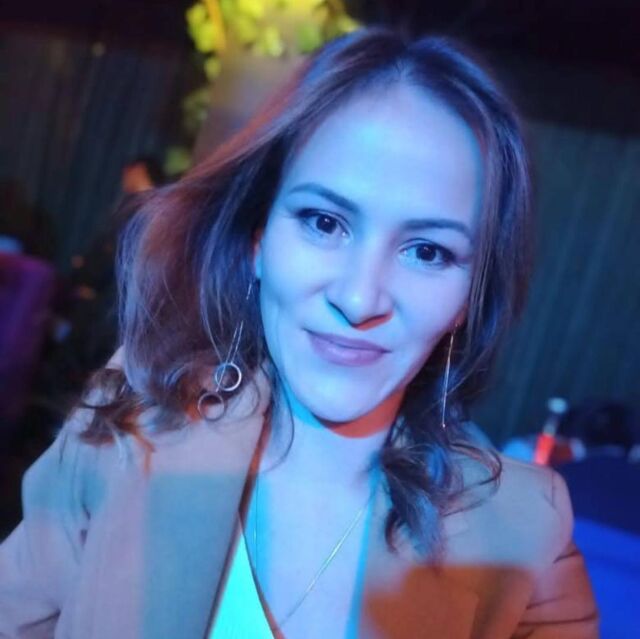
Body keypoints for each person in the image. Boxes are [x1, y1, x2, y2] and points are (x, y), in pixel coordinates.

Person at [0, 28, 599, 638]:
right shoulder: (132, 421)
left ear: (470, 296)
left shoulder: (523, 535)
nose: (359, 299)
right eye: (324, 222)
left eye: (427, 251)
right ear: (257, 239)